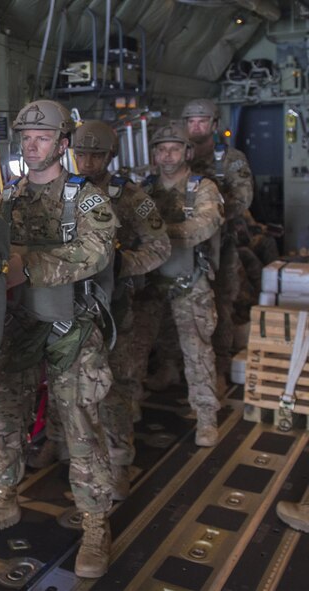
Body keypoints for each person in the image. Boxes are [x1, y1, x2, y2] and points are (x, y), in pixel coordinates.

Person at [0, 99, 117, 578]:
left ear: (62, 144)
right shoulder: (8, 199)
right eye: (26, 138)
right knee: (4, 417)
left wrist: (26, 263)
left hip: (73, 327)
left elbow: (96, 253)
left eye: (42, 137)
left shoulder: (86, 198)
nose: (31, 146)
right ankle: (3, 499)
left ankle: (95, 522)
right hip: (22, 324)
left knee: (80, 425)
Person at [28, 120, 171, 500]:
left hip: (114, 303)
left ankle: (120, 457)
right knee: (63, 377)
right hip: (64, 303)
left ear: (111, 156)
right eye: (82, 153)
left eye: (97, 154)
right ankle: (58, 440)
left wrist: (123, 265)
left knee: (116, 384)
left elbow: (160, 246)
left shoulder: (129, 195)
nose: (88, 161)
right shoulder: (62, 190)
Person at [129, 121, 224, 448]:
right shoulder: (143, 188)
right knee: (136, 347)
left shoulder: (203, 187)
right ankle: (129, 407)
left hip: (190, 280)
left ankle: (206, 416)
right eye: (161, 149)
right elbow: (128, 222)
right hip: (150, 280)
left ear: (187, 151)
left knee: (197, 351)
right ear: (154, 154)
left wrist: (156, 234)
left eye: (174, 148)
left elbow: (204, 225)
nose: (167, 154)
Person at [184, 98, 254, 381]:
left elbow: (243, 197)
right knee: (181, 305)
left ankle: (221, 364)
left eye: (202, 121)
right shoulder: (179, 155)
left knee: (221, 302)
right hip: (187, 247)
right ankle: (177, 365)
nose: (196, 127)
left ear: (214, 125)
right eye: (191, 121)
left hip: (220, 244)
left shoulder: (231, 159)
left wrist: (210, 215)